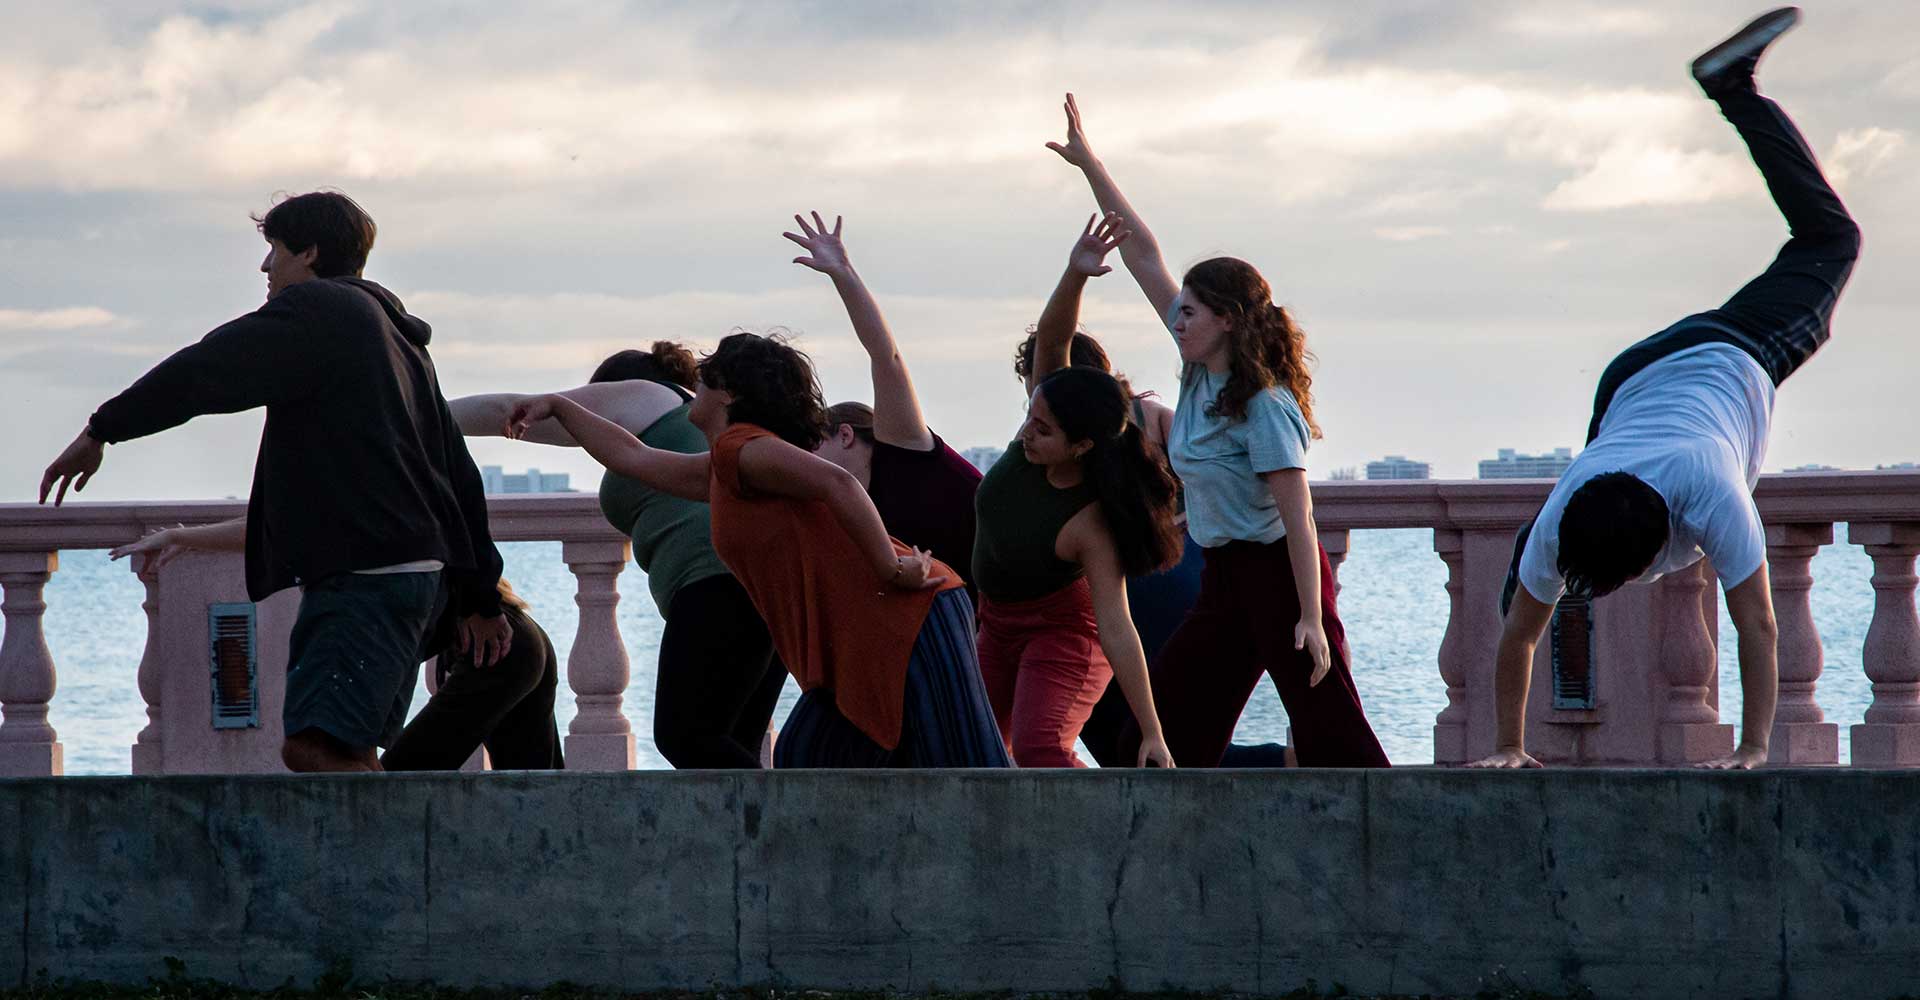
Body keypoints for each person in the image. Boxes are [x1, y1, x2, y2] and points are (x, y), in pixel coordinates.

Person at [1470, 7, 1855, 771]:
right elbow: (1518, 636)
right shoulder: (1563, 517)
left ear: (1670, 542)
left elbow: (1760, 628)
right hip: (1637, 387)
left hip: (1705, 362)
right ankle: (1734, 87)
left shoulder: (1712, 493)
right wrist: (1509, 750)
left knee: (1833, 241)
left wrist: (1751, 748)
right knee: (1532, 590)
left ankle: (1733, 86)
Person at [39, 191, 509, 773]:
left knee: (313, 748)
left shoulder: (319, 311)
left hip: (367, 577)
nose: (266, 268)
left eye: (275, 251)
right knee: (350, 749)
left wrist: (102, 429)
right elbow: (455, 470)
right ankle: (384, 860)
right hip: (408, 575)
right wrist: (478, 592)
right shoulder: (394, 334)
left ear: (309, 253)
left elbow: (206, 370)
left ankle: (405, 858)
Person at [1049, 95, 1391, 769]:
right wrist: (1090, 164)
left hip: (1280, 578)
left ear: (1228, 319)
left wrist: (1313, 621)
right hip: (1223, 579)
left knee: (1334, 739)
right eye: (1180, 310)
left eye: (1193, 311)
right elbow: (1144, 254)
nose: (1178, 319)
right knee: (1161, 738)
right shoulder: (1197, 374)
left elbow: (1300, 517)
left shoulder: (1263, 405)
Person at [507, 331, 1010, 768]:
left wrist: (892, 567)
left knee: (970, 769)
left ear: (727, 394)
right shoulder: (728, 466)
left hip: (914, 613)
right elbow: (632, 456)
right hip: (880, 627)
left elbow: (840, 483)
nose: (692, 390)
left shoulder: (745, 447)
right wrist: (559, 406)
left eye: (703, 380)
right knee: (809, 759)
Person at [1021, 219, 1292, 770]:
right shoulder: (1146, 417)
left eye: (1038, 387)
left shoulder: (1127, 422)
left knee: (1144, 748)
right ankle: (1279, 764)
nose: (1032, 401)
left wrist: (1075, 275)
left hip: (1147, 588)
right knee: (1162, 747)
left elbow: (1053, 343)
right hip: (1172, 575)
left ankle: (1281, 764)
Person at [449, 343, 787, 769]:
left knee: (685, 737)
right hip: (762, 582)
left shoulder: (647, 393)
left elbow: (513, 411)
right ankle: (762, 831)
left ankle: (791, 827)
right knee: (728, 746)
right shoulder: (686, 429)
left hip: (716, 581)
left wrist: (420, 410)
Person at [967, 215, 1179, 768]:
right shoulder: (1041, 427)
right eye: (1029, 418)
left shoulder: (1092, 521)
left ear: (1081, 446)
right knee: (975, 752)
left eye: (1043, 429)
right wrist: (1075, 274)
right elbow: (1055, 339)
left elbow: (1117, 625)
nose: (1027, 433)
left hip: (1063, 632)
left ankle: (1105, 841)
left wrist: (1152, 731)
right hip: (997, 621)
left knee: (1041, 748)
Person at [111, 523, 562, 771]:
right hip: (518, 638)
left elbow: (270, 528)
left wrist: (475, 602)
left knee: (399, 783)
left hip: (496, 649)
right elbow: (267, 527)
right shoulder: (352, 503)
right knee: (539, 791)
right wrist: (182, 538)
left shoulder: (361, 504)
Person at [787, 213, 985, 593]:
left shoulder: (900, 446)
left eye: (813, 446)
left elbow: (886, 356)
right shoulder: (851, 506)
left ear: (845, 434)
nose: (807, 461)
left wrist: (842, 272)